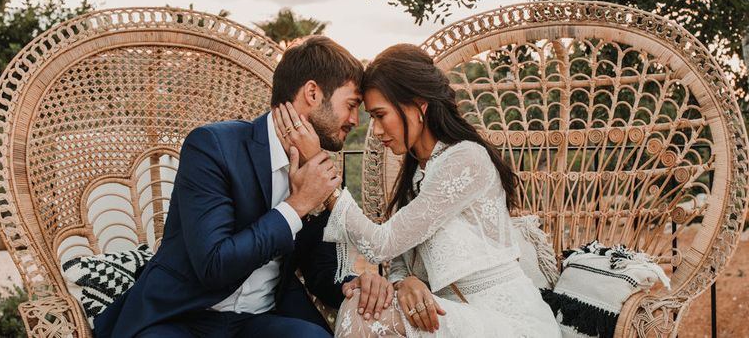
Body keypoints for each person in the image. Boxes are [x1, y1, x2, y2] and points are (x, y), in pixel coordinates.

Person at [94, 35, 392, 338]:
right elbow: (214, 265)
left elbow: (320, 269)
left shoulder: (317, 165)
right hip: (181, 317)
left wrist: (355, 283)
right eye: (351, 105)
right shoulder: (213, 147)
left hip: (259, 321)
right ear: (313, 93)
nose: (355, 120)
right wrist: (297, 205)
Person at [275, 43, 560, 337]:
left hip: (504, 320)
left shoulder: (466, 159)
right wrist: (405, 283)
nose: (375, 130)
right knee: (363, 306)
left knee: (364, 314)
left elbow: (381, 245)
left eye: (380, 115)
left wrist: (323, 180)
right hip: (448, 314)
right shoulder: (417, 174)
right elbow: (399, 262)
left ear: (418, 105)